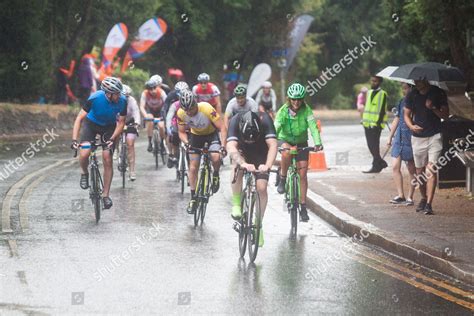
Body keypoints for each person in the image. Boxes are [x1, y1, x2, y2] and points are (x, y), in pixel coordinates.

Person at [71, 77, 127, 209]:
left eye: (120, 93)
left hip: (109, 127)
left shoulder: (123, 101)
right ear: (108, 93)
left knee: (107, 158)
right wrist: (74, 140)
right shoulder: (95, 98)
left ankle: (105, 195)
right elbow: (79, 118)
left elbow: (122, 122)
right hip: (91, 125)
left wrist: (113, 138)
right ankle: (84, 173)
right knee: (84, 153)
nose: (119, 96)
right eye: (117, 93)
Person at [227, 111, 277, 247]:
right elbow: (231, 147)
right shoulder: (235, 120)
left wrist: (267, 165)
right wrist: (243, 163)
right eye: (247, 138)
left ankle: (258, 225)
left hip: (261, 153)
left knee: (261, 187)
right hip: (242, 153)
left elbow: (273, 145)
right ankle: (237, 203)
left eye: (252, 139)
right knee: (236, 166)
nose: (250, 141)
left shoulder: (265, 119)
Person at [275, 83, 323, 222]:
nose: (296, 102)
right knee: (287, 153)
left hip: (301, 142)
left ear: (303, 99)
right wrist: (271, 141)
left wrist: (318, 142)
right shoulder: (283, 111)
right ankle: (283, 179)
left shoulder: (307, 110)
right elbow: (276, 127)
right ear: (289, 99)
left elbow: (313, 127)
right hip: (285, 139)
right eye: (293, 99)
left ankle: (303, 207)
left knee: (303, 175)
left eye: (299, 99)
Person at [404, 80, 449, 215]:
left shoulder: (438, 92)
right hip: (417, 137)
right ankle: (423, 198)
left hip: (434, 136)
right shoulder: (412, 94)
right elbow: (406, 114)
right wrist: (411, 126)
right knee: (420, 173)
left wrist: (433, 108)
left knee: (431, 170)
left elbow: (445, 115)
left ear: (426, 79)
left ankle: (429, 204)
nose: (416, 82)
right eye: (415, 80)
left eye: (419, 80)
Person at [177, 89, 225, 214]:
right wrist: (187, 143)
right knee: (193, 168)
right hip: (195, 137)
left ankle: (215, 175)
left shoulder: (207, 108)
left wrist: (223, 145)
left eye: (191, 109)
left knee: (215, 157)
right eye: (186, 109)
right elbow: (181, 132)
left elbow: (222, 127)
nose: (189, 112)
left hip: (211, 135)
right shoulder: (181, 113)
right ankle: (193, 198)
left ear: (195, 103)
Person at [387, 83, 416, 205]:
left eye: (405, 88)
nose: (403, 91)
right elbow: (397, 119)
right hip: (399, 137)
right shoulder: (402, 101)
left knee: (411, 168)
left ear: (411, 88)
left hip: (411, 137)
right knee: (395, 166)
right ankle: (400, 195)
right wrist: (390, 137)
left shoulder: (417, 101)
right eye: (402, 88)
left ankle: (410, 197)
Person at [362, 76, 388, 173]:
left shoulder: (383, 94)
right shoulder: (369, 92)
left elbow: (381, 110)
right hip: (367, 123)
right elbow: (367, 107)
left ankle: (377, 165)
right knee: (370, 145)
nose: (373, 82)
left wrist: (377, 123)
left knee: (374, 146)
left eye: (375, 81)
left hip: (376, 125)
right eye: (372, 81)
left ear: (380, 82)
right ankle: (380, 163)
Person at [139, 77, 167, 153]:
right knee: (150, 120)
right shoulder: (145, 93)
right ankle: (150, 142)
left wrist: (165, 116)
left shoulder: (161, 92)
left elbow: (167, 104)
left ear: (157, 87)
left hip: (160, 111)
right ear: (148, 89)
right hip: (150, 111)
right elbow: (142, 106)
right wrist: (145, 116)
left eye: (154, 88)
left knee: (161, 126)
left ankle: (162, 143)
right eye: (150, 89)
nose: (153, 91)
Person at [165, 81, 190, 168]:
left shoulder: (193, 101)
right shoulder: (174, 104)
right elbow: (169, 117)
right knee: (174, 136)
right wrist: (168, 129)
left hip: (189, 124)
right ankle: (175, 155)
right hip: (177, 124)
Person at [121, 84, 140, 181]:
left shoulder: (132, 100)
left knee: (130, 143)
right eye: (123, 96)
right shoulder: (115, 101)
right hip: (117, 121)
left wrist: (137, 123)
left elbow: (136, 112)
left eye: (127, 96)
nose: (125, 98)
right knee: (113, 135)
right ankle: (116, 150)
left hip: (129, 122)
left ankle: (132, 171)